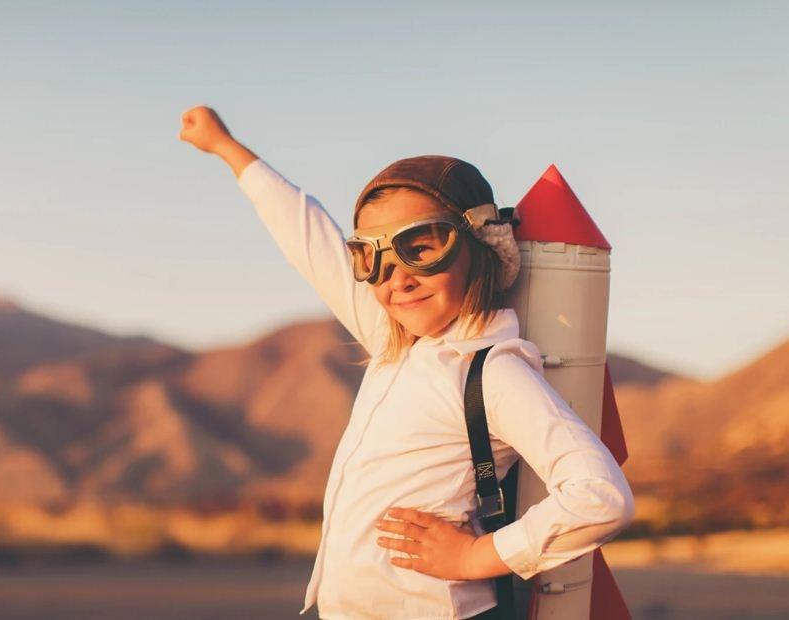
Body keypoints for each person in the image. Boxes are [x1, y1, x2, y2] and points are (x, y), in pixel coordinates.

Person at [178, 105, 635, 620]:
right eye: (373, 259)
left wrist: (475, 555)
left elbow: (601, 496)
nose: (398, 279)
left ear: (481, 246)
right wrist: (226, 148)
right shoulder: (396, 344)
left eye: (421, 248)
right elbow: (309, 241)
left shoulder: (490, 371)